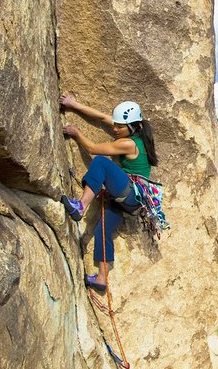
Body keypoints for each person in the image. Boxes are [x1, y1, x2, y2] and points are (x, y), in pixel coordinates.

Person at [59, 93, 159, 292]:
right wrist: (74, 104)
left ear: (131, 126)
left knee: (101, 162)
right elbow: (102, 117)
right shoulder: (136, 135)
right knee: (102, 230)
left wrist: (77, 133)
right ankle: (101, 279)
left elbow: (94, 149)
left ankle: (81, 206)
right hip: (131, 200)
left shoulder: (128, 144)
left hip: (130, 193)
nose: (114, 129)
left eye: (118, 127)